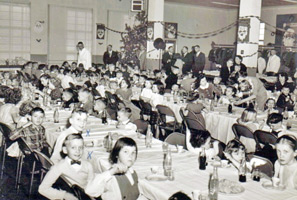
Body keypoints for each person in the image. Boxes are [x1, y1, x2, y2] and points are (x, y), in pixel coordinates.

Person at [86, 137, 151, 200]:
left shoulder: (133, 173)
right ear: (117, 154)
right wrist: (111, 172)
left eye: (133, 152)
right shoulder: (111, 177)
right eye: (126, 152)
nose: (130, 156)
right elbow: (89, 191)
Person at [39, 134, 94, 200]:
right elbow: (42, 189)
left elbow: (92, 186)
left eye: (80, 147)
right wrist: (65, 195)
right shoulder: (58, 167)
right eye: (73, 147)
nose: (78, 151)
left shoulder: (88, 166)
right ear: (65, 150)